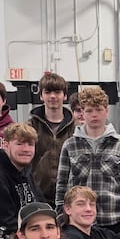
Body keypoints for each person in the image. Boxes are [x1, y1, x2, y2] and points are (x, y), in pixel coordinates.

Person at [55, 85, 120, 235]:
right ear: (82, 113)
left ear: (107, 111)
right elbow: (61, 185)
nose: (94, 115)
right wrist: (62, 217)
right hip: (78, 224)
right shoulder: (70, 145)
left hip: (115, 221)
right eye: (89, 110)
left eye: (99, 109)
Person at [0, 122, 44, 231]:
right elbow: (3, 223)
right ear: (6, 145)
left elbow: (42, 207)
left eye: (30, 144)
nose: (26, 149)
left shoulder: (26, 172)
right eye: (20, 144)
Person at [29, 72, 76, 203]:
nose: (53, 96)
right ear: (41, 96)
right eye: (48, 92)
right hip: (38, 196)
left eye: (57, 92)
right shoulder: (30, 126)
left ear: (65, 96)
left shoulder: (76, 129)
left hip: (70, 197)